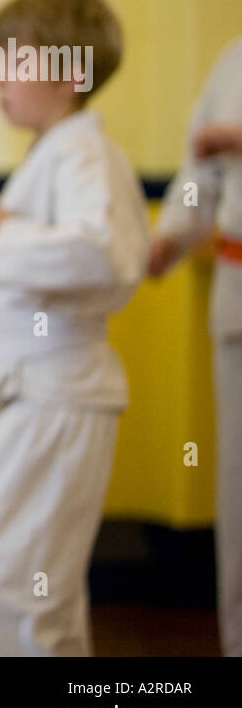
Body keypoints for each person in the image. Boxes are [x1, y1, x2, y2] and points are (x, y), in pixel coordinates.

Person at [0, 0, 149, 656]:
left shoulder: (84, 152)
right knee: (35, 593)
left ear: (65, 70)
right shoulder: (54, 154)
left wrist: (2, 229)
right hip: (39, 391)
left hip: (61, 391)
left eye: (14, 60)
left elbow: (104, 257)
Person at [147, 35, 242, 656]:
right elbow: (198, 170)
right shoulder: (234, 60)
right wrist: (166, 240)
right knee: (237, 493)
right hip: (236, 287)